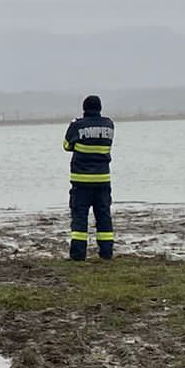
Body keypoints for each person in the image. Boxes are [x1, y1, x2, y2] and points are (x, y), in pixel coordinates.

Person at [64, 94, 115, 261]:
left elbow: (66, 145)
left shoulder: (77, 125)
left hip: (81, 181)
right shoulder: (109, 125)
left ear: (84, 109)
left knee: (80, 217)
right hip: (102, 180)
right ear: (99, 108)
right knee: (103, 216)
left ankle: (78, 255)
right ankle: (106, 253)